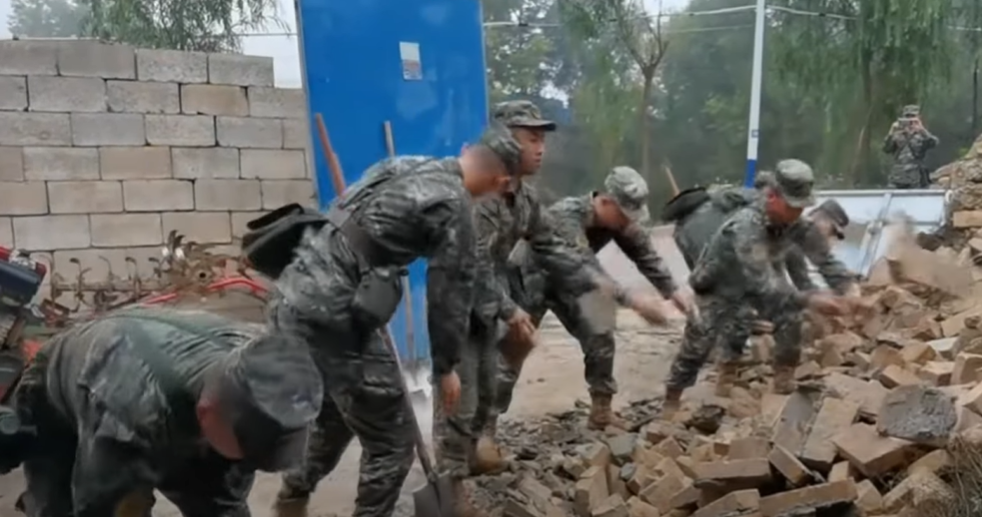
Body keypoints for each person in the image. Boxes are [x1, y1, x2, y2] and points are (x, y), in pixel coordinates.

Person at [269, 125, 521, 517]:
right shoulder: (456, 207)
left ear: (466, 148)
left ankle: (291, 498)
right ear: (500, 181)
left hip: (290, 293)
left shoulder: (400, 164)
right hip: (334, 314)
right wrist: (445, 368)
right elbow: (448, 297)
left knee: (339, 415)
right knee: (393, 440)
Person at [433, 101, 671, 517]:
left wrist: (629, 297)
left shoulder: (525, 199)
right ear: (504, 140)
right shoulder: (479, 194)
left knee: (489, 379)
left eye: (543, 139)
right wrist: (510, 309)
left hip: (496, 301)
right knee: (464, 394)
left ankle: (473, 455)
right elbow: (469, 265)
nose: (541, 148)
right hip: (463, 303)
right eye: (531, 138)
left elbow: (563, 255)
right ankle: (451, 487)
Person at [10, 307, 322, 517]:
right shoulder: (129, 414)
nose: (248, 464)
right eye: (250, 450)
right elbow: (98, 504)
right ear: (206, 414)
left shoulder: (266, 363)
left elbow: (222, 502)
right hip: (59, 392)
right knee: (67, 505)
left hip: (167, 370)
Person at [491, 165, 694, 433]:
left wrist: (674, 291)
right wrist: (634, 300)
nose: (627, 223)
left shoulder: (618, 221)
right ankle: (484, 430)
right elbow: (585, 269)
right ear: (606, 201)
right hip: (531, 280)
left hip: (573, 286)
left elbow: (644, 253)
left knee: (601, 331)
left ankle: (601, 411)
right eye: (624, 215)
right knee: (512, 351)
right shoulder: (567, 215)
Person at [662, 160, 854, 420]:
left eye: (801, 207)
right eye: (792, 206)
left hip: (753, 283)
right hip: (718, 285)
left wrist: (848, 288)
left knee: (786, 317)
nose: (798, 213)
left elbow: (824, 259)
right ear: (772, 196)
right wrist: (810, 299)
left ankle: (780, 383)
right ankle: (672, 399)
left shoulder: (794, 222)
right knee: (699, 343)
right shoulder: (745, 226)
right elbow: (765, 283)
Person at [883, 104, 939, 189]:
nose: (909, 120)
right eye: (907, 117)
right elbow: (886, 149)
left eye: (912, 117)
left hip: (916, 177)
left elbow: (934, 143)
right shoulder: (897, 135)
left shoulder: (921, 135)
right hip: (897, 177)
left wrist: (922, 129)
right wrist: (891, 131)